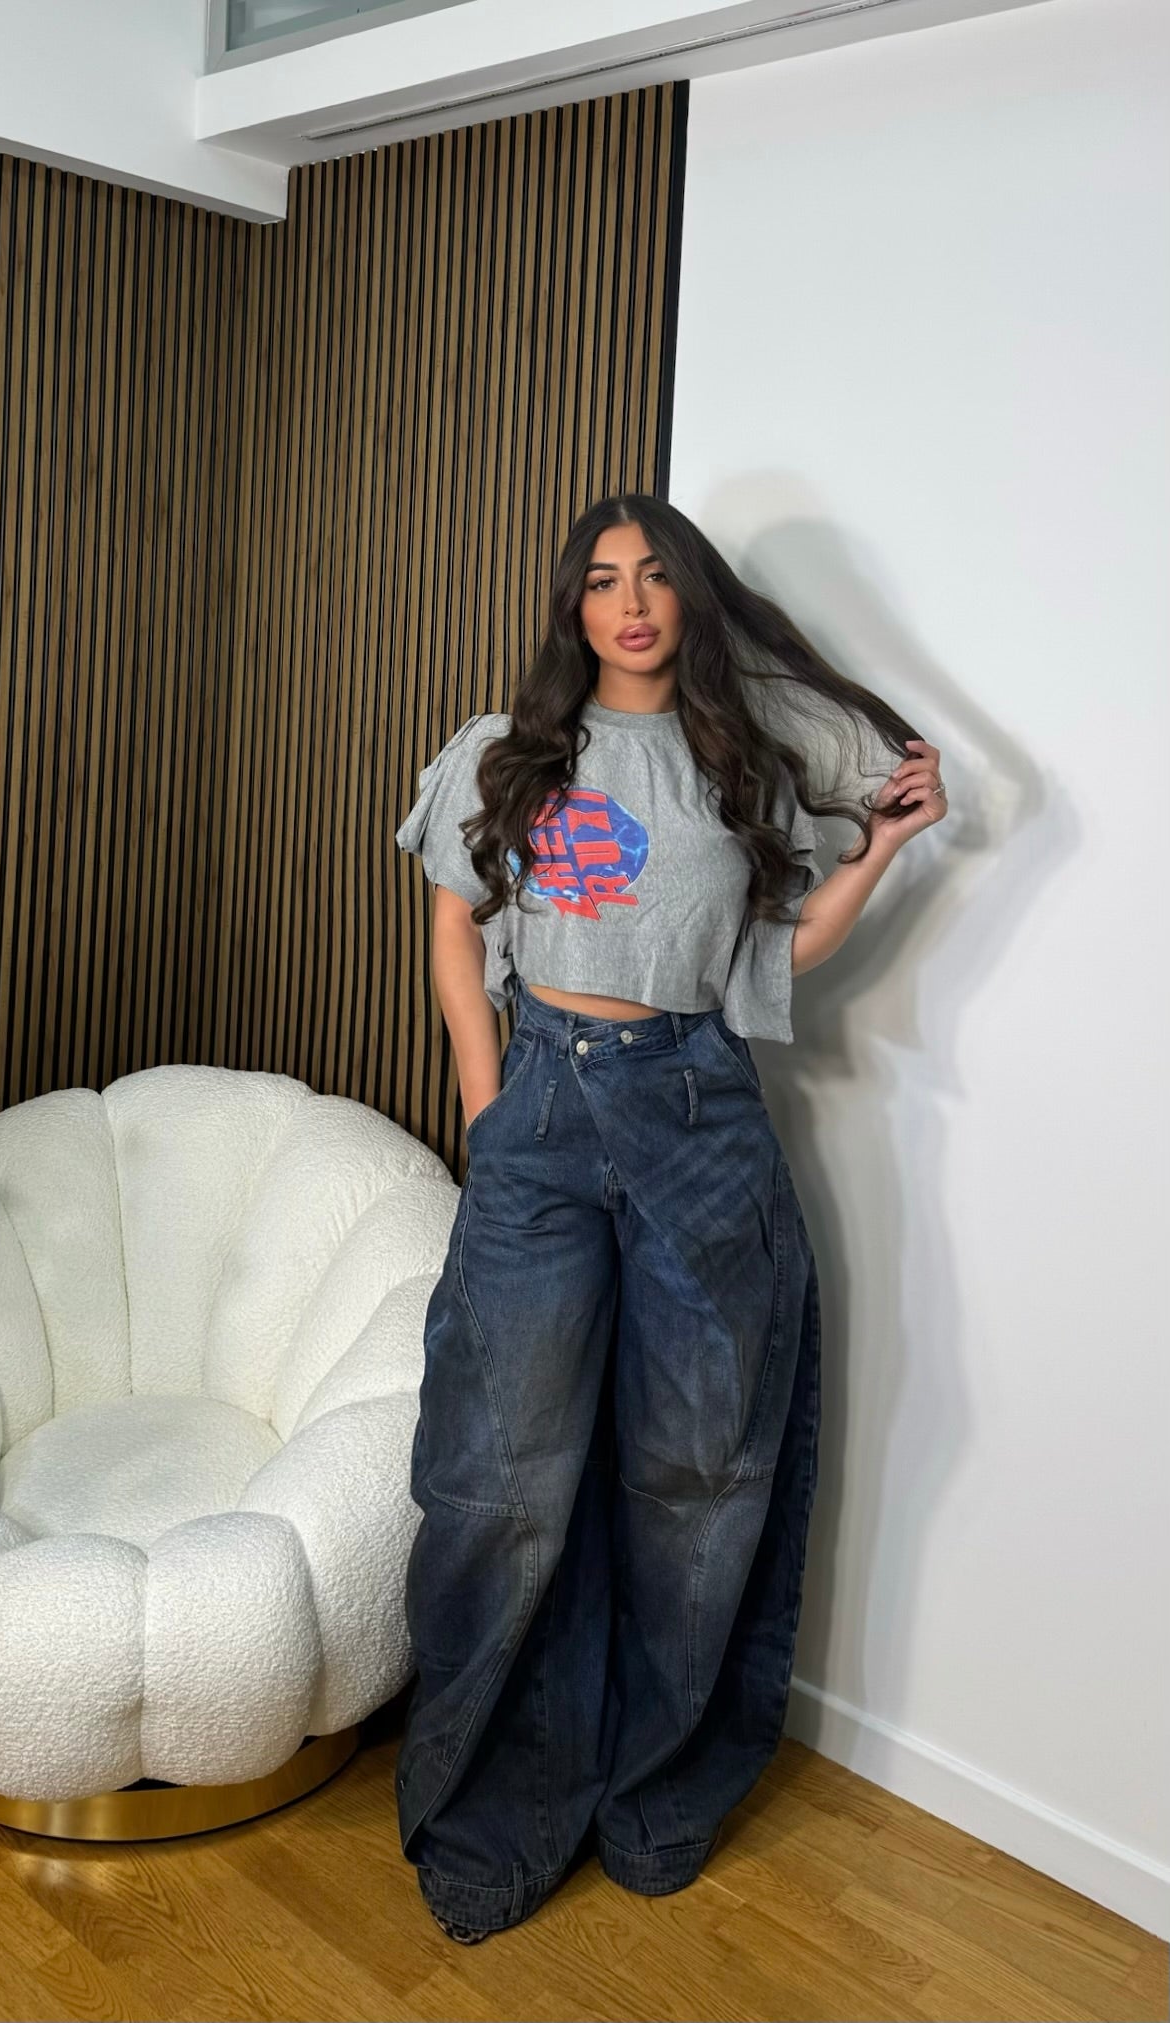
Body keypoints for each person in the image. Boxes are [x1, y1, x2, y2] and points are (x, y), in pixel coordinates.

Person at [391, 492, 947, 1942]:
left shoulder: (734, 755)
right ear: (571, 608)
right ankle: (494, 1814)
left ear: (689, 597)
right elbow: (453, 926)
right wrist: (487, 1106)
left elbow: (784, 942)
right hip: (540, 1105)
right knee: (501, 1478)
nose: (628, 603)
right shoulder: (502, 755)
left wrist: (883, 846)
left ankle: (655, 1792)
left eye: (653, 577)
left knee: (698, 1478)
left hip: (697, 1110)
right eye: (600, 580)